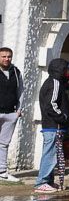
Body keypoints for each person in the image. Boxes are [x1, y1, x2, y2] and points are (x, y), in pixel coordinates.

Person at [34, 57, 69, 194]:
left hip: (55, 126)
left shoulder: (57, 83)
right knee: (50, 154)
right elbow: (51, 104)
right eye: (67, 69)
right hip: (53, 125)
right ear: (60, 70)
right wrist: (62, 117)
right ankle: (42, 182)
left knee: (53, 154)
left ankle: (49, 181)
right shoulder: (54, 83)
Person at [0, 46, 23, 182]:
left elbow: (20, 91)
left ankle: (2, 171)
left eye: (9, 56)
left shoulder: (16, 71)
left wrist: (18, 110)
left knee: (3, 143)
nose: (6, 59)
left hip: (10, 113)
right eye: (3, 56)